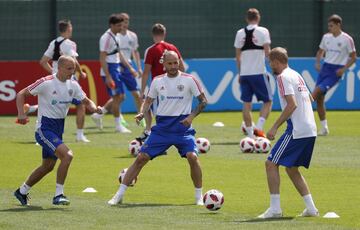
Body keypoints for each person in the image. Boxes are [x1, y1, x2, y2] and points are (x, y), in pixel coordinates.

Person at [108, 51, 207, 206]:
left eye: (176, 62)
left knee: (192, 157)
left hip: (182, 129)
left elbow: (203, 101)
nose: (174, 66)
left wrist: (191, 117)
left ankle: (199, 197)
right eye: (170, 63)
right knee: (141, 158)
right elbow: (148, 101)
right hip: (162, 129)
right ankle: (118, 195)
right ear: (163, 64)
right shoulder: (157, 81)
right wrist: (142, 112)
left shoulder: (189, 80)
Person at [14, 56, 102, 206]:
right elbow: (21, 94)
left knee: (47, 166)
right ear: (59, 68)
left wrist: (95, 108)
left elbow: (86, 101)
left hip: (58, 129)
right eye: (69, 69)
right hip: (44, 129)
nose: (72, 72)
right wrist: (21, 114)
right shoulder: (46, 82)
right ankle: (58, 195)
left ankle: (21, 191)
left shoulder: (73, 85)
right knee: (67, 156)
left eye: (73, 69)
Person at [258, 47, 319, 219]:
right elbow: (310, 98)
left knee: (270, 164)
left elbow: (292, 105)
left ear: (276, 61)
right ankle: (311, 209)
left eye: (270, 62)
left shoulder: (283, 77)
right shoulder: (296, 74)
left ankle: (275, 210)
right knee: (291, 169)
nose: (270, 65)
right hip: (309, 128)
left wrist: (274, 126)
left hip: (297, 129)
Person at [39, 19, 90, 142]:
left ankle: (41, 131)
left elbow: (43, 61)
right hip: (68, 80)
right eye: (71, 27)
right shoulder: (70, 43)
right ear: (68, 29)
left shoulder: (54, 43)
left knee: (52, 104)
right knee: (81, 104)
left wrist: (53, 72)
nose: (71, 29)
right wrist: (81, 72)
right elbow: (73, 60)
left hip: (54, 80)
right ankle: (79, 134)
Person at [91, 12, 144, 129]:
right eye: (119, 25)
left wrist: (130, 68)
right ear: (112, 25)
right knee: (117, 97)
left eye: (122, 24)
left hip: (116, 69)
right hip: (110, 69)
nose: (122, 27)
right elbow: (102, 57)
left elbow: (119, 54)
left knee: (121, 96)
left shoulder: (116, 36)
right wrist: (108, 76)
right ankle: (118, 125)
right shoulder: (106, 38)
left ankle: (99, 115)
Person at [136, 23, 185, 143]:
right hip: (173, 85)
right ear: (164, 33)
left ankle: (155, 137)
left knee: (153, 109)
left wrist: (142, 91)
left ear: (153, 35)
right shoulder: (173, 48)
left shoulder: (151, 50)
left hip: (159, 86)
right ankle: (149, 132)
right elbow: (182, 67)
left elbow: (146, 72)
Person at [313, 14, 357, 136]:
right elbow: (320, 51)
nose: (329, 28)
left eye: (331, 26)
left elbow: (354, 57)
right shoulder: (326, 37)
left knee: (315, 93)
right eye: (329, 26)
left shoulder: (347, 39)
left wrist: (344, 69)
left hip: (335, 72)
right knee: (319, 100)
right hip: (325, 68)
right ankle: (324, 128)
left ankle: (303, 121)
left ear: (338, 25)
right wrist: (317, 62)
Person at [234, 8, 272, 139]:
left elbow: (237, 57)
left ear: (247, 18)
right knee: (268, 101)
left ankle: (250, 135)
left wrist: (240, 73)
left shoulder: (239, 33)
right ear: (258, 17)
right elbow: (267, 52)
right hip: (259, 72)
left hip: (245, 74)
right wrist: (274, 67)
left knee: (246, 104)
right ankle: (259, 128)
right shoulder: (263, 31)